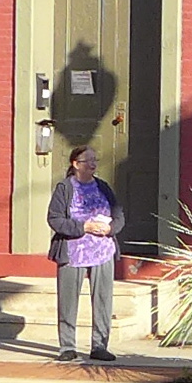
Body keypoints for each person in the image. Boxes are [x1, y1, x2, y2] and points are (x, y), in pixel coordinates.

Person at [46, 145, 125, 362]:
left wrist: (110, 228)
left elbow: (118, 214)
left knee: (103, 299)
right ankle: (67, 347)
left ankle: (100, 346)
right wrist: (84, 227)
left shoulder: (103, 187)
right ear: (76, 164)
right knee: (68, 301)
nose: (92, 164)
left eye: (94, 160)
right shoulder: (64, 188)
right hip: (73, 252)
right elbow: (55, 219)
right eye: (87, 161)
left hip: (103, 251)